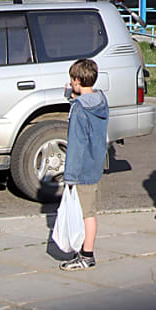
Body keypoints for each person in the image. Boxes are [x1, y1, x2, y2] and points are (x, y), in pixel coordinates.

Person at [59, 58, 109, 271]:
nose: (71, 83)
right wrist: (74, 99)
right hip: (96, 161)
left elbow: (77, 144)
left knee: (87, 213)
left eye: (72, 80)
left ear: (77, 80)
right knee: (88, 209)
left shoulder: (80, 109)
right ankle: (84, 250)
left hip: (82, 167)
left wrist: (69, 175)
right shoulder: (101, 101)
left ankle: (87, 255)